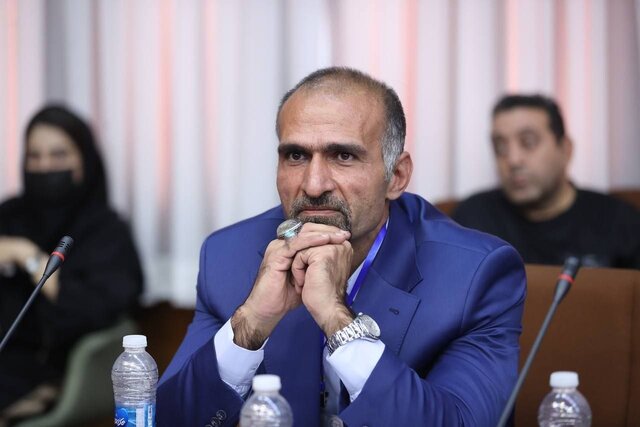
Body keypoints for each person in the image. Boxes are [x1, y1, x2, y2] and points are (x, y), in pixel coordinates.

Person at [157, 67, 526, 426]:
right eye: (296, 156)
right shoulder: (228, 256)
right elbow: (167, 419)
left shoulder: (475, 275)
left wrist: (337, 320)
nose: (314, 185)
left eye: (343, 156)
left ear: (396, 176)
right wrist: (250, 323)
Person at [0, 105, 143, 422]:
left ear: (84, 160)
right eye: (34, 156)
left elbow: (93, 309)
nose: (45, 166)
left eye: (58, 155)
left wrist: (26, 255)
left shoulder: (106, 230)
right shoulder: (10, 214)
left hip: (54, 371)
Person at [452, 94, 640, 269]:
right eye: (501, 147)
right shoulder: (473, 220)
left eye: (528, 142)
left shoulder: (619, 222)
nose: (513, 160)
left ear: (565, 149)